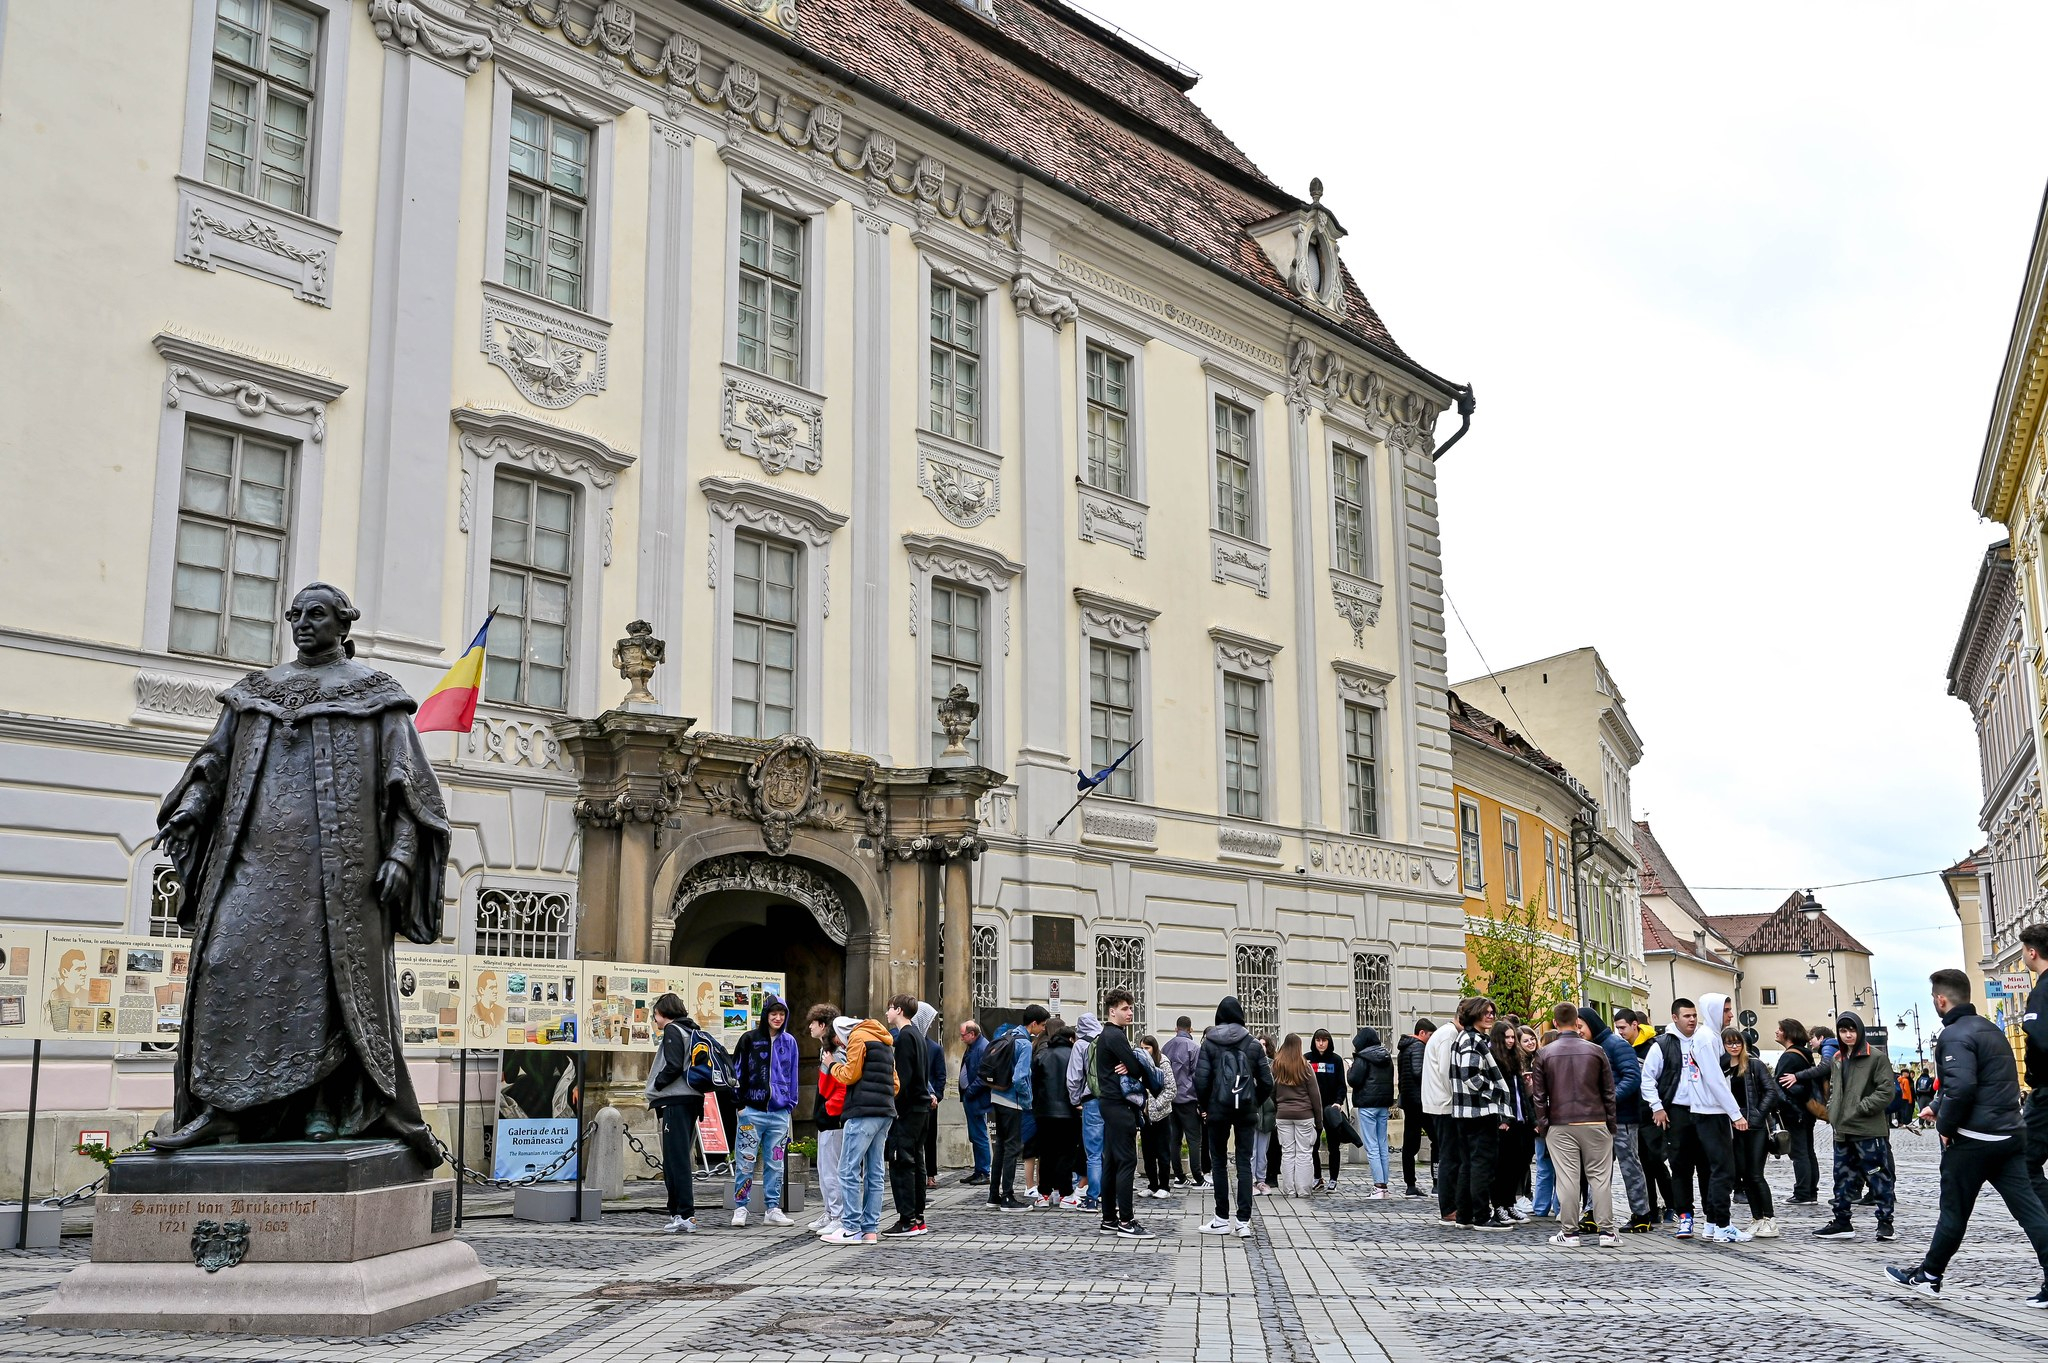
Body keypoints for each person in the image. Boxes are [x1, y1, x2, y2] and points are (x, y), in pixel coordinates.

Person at [148, 583, 449, 1161]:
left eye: (317, 614)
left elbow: (408, 786)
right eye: (296, 614)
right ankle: (221, 1107)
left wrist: (402, 855)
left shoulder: (373, 696)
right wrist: (190, 809)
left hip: (335, 877)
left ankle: (320, 1108)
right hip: (253, 863)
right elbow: (214, 763)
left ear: (343, 624)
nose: (303, 623)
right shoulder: (258, 693)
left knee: (323, 989)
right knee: (222, 962)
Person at [1887, 969, 2048, 1306]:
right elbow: (1980, 1082)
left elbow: (1961, 1087)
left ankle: (1930, 1276)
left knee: (1954, 1212)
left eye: (1934, 999)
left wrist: (1945, 1126)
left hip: (1973, 1140)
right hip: (2009, 1135)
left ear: (1941, 1000)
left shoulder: (1954, 1035)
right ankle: (1929, 1272)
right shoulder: (1991, 1030)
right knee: (2031, 1212)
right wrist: (1935, 1105)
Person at [1640, 995, 1749, 1242]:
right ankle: (1685, 1216)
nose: (1691, 1020)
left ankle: (1712, 1219)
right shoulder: (1664, 1045)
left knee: (1708, 1166)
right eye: (1686, 1016)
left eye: (1694, 1016)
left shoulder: (1705, 1038)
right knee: (1680, 1166)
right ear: (1675, 1017)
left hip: (1704, 1111)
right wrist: (1657, 1106)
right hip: (1677, 1111)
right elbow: (1648, 1078)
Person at [1797, 1011, 1897, 1242]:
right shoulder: (1838, 1059)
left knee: (1877, 1176)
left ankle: (1885, 1223)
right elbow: (1833, 1090)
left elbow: (1886, 1091)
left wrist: (1860, 1108)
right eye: (1843, 1031)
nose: (1848, 1035)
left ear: (1859, 1031)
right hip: (1842, 1130)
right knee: (1842, 1178)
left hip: (1868, 1130)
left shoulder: (1876, 1057)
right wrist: (1833, 1112)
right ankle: (1842, 1221)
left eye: (1852, 1030)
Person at [1531, 1001, 1617, 1248]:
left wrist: (1545, 1125)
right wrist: (1611, 1123)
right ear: (1577, 1021)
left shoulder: (1544, 1053)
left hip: (1560, 1121)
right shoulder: (1596, 1051)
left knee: (1567, 1178)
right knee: (1599, 1178)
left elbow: (1539, 1095)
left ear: (1555, 1023)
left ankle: (1569, 1233)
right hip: (1595, 1119)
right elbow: (1608, 1092)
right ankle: (1607, 1232)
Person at [1194, 995, 1273, 1236]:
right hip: (1246, 1111)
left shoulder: (1209, 1043)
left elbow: (1201, 1080)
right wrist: (1252, 1101)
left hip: (1218, 1111)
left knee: (1218, 1162)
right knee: (1244, 1163)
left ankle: (1220, 1219)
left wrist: (1206, 1105)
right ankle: (1243, 1222)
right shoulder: (1252, 1044)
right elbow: (1268, 1082)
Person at [1092, 987, 1162, 1237]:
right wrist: (1133, 1063)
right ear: (1112, 1012)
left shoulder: (1108, 1035)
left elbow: (1130, 1066)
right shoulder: (1115, 1036)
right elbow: (1135, 1067)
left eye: (1131, 1007)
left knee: (1111, 1161)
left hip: (1109, 1104)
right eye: (1125, 1008)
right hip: (1119, 1105)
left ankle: (1109, 1219)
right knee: (1127, 1161)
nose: (1130, 1012)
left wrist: (1130, 1064)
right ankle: (1126, 1221)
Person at [823, 1014, 896, 1245]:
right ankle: (870, 1230)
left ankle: (851, 1227)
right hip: (885, 1112)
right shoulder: (884, 1041)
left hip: (863, 1112)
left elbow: (849, 1075)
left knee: (847, 1169)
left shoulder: (858, 1038)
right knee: (875, 1173)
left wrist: (832, 1064)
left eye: (838, 1040)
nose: (841, 1045)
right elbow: (895, 1084)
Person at [1579, 1006, 1651, 1233]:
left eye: (1580, 1026)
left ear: (1591, 1024)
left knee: (1630, 1166)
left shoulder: (1616, 1044)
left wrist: (1608, 1100)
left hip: (1623, 1118)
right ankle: (1592, 1213)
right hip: (1599, 1118)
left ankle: (1641, 1215)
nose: (1578, 1031)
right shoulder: (1592, 1047)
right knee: (1597, 1168)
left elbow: (1632, 1078)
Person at [731, 994, 799, 1228]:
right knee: (745, 1161)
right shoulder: (749, 1039)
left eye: (781, 1014)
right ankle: (741, 1206)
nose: (778, 1018)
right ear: (765, 1015)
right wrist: (739, 1105)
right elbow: (736, 1072)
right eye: (773, 1014)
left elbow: (793, 1075)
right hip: (752, 1110)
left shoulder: (789, 1042)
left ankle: (773, 1208)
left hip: (779, 1113)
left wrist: (790, 1104)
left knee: (776, 1163)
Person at [1449, 996, 1513, 1229]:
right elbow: (1470, 1075)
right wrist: (1495, 1091)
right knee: (1481, 1165)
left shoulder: (1464, 1038)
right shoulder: (1473, 1040)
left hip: (1466, 1112)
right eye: (1485, 1012)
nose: (1490, 1016)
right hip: (1478, 1111)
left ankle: (1466, 1216)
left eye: (1492, 1012)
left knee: (1468, 1164)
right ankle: (1481, 1216)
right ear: (1474, 1014)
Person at [647, 993, 708, 1234]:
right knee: (677, 1157)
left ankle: (685, 1214)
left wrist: (657, 1084)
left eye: (656, 1015)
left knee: (676, 1160)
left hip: (677, 1100)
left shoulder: (673, 1030)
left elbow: (672, 1066)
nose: (655, 1020)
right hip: (690, 1099)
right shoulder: (690, 1030)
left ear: (663, 1013)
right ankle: (680, 1213)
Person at [1614, 1009, 1676, 1222]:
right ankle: (1650, 1208)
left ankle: (1671, 1205)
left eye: (1623, 1027)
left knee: (1656, 1161)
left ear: (1635, 1025)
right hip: (1632, 1115)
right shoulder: (1622, 1048)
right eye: (1618, 1028)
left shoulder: (1652, 1047)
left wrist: (1659, 1107)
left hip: (1651, 1114)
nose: (1620, 1032)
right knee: (1641, 1163)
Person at [1722, 1026, 1782, 1239]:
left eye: (1737, 1042)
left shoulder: (1754, 1064)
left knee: (1756, 1174)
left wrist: (1756, 1115)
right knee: (1745, 1175)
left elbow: (1771, 1092)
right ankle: (1757, 1218)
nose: (1734, 1046)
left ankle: (1769, 1219)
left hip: (1755, 1127)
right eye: (1729, 1043)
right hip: (1733, 1126)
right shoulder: (1723, 1067)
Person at [883, 994, 934, 1236]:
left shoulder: (904, 1037)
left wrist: (894, 1107)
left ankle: (907, 1219)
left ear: (899, 1010)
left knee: (902, 1162)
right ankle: (917, 1217)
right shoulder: (918, 1036)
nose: (887, 1013)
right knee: (916, 1161)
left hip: (908, 1110)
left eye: (889, 1008)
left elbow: (902, 1080)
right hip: (920, 1108)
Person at [986, 1005, 1046, 1209]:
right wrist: (1028, 1101)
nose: (1043, 1029)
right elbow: (1020, 1078)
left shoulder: (1008, 1034)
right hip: (1013, 1101)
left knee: (1001, 1147)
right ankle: (1008, 1197)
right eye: (1043, 1025)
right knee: (1012, 1148)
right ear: (1034, 1023)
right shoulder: (1025, 1044)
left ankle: (994, 1195)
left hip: (997, 1096)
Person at [807, 1005, 848, 1237]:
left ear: (823, 1025)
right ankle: (830, 1211)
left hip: (833, 1120)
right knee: (824, 1170)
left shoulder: (836, 1051)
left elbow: (841, 1083)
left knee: (832, 1170)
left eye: (813, 1022)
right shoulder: (827, 1049)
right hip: (827, 1118)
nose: (810, 1026)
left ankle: (837, 1215)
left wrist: (829, 1110)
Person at [1490, 1019, 1535, 1222]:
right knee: (1503, 1166)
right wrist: (1502, 1117)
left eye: (1512, 1037)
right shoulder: (1495, 1060)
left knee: (1517, 1165)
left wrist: (1531, 1119)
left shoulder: (1515, 1059)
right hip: (1504, 1121)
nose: (1510, 1041)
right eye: (1507, 1037)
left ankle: (1509, 1204)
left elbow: (1521, 1096)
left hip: (1519, 1119)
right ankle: (1499, 1205)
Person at [1033, 1015, 1080, 1208]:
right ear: (1070, 1039)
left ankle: (1044, 1193)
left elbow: (1034, 1084)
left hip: (1044, 1112)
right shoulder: (1072, 1056)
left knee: (1046, 1153)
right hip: (1068, 1111)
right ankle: (1066, 1194)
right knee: (1066, 1153)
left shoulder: (1041, 1054)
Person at [1773, 1020, 1822, 1205]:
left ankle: (1803, 1193)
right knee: (1808, 1151)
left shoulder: (1790, 1057)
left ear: (1788, 1033)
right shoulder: (1804, 1054)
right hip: (1806, 1110)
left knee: (1799, 1153)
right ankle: (1810, 1191)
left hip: (1795, 1111)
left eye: (1780, 1029)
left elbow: (1781, 1086)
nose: (1776, 1032)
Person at [1273, 1033, 1325, 1197]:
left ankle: (1289, 1190)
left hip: (1283, 1115)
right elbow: (1315, 1095)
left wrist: (1278, 1106)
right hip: (1304, 1114)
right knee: (1304, 1152)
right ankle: (1303, 1190)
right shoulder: (1305, 1066)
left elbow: (1270, 1091)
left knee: (1287, 1153)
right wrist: (1319, 1120)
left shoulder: (1276, 1066)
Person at [2019, 923, 2048, 1212]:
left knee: (2023, 1163)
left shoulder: (2042, 991)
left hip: (2046, 1094)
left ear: (2032, 952)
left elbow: (2039, 1036)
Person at [1424, 1010, 1463, 1223]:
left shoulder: (1446, 1033)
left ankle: (1451, 1206)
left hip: (1440, 1102)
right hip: (1444, 1104)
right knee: (1449, 1156)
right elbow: (1447, 1072)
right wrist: (1457, 1099)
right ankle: (1448, 1208)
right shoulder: (1448, 1035)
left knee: (1449, 1155)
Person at [1348, 1025, 1395, 1199]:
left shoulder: (1362, 1057)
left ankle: (1378, 1186)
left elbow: (1354, 1080)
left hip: (1367, 1104)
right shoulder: (1386, 1056)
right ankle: (1385, 1186)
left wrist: (1350, 1069)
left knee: (1371, 1145)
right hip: (1383, 1104)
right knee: (1382, 1144)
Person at [1069, 1012, 1107, 1213]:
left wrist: (1076, 1100)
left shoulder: (1080, 1044)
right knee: (1108, 1151)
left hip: (1091, 1101)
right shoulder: (1108, 1039)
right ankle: (1109, 1196)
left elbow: (1074, 1077)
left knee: (1092, 1153)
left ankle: (1092, 1198)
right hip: (1112, 1102)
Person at [1163, 1016, 1206, 1186]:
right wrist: (1201, 1103)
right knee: (1194, 1140)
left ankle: (1179, 1177)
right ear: (1190, 1030)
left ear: (1176, 1028)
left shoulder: (1166, 1047)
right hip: (1188, 1099)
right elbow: (1197, 1077)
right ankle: (1198, 1177)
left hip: (1170, 1100)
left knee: (1174, 1139)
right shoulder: (1194, 1048)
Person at [1398, 1019, 1436, 1198]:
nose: (1431, 1040)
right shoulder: (1419, 1047)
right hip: (1422, 1102)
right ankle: (1437, 1183)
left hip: (1408, 1101)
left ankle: (1410, 1185)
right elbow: (1418, 1071)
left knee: (1409, 1145)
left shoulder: (1404, 1048)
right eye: (1430, 1036)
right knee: (1437, 1140)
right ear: (1422, 1033)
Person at [1307, 1029, 1348, 1192]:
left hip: (1331, 1108)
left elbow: (1341, 1085)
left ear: (1329, 1042)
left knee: (1333, 1146)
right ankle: (1317, 1177)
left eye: (1324, 1040)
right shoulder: (1307, 1059)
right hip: (1313, 1109)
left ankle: (1333, 1179)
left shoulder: (1336, 1060)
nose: (1321, 1043)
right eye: (1318, 1040)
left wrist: (1338, 1102)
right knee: (1313, 1145)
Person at [1140, 1034, 1179, 1198]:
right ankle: (1152, 1184)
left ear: (1154, 1048)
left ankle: (1164, 1186)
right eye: (1142, 1048)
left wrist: (1156, 1105)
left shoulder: (1163, 1062)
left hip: (1161, 1114)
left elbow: (1171, 1089)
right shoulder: (1140, 1063)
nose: (1145, 1051)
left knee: (1163, 1152)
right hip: (1145, 1115)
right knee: (1147, 1152)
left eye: (1147, 1048)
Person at [958, 1020, 992, 1185]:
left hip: (976, 1098)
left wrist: (970, 1091)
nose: (961, 1038)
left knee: (979, 1135)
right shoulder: (975, 1046)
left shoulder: (981, 1047)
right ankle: (979, 1170)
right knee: (975, 1135)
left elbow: (984, 1075)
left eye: (963, 1035)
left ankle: (984, 1171)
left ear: (972, 1034)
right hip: (971, 1097)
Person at [1252, 1038, 1278, 1194]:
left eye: (1263, 1044)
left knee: (1263, 1150)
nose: (1261, 1047)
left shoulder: (1273, 1065)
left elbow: (1274, 1088)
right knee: (1251, 1150)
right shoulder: (1249, 1062)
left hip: (1267, 1111)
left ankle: (1261, 1180)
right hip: (1252, 1110)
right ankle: (1251, 1180)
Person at [924, 1023, 945, 1188]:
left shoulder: (935, 1048)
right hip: (912, 1100)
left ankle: (931, 1174)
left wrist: (937, 1096)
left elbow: (940, 1075)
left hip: (930, 1101)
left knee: (930, 1140)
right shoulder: (905, 1043)